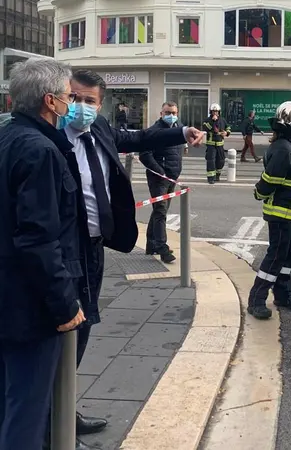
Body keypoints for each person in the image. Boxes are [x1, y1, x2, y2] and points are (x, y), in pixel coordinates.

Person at [63, 70, 203, 447]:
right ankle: (51, 427)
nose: (80, 107)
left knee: (83, 329)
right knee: (60, 333)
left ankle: (62, 411)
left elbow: (136, 138)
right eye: (74, 98)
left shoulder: (100, 129)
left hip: (92, 248)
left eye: (89, 101)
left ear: (99, 104)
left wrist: (179, 131)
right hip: (62, 251)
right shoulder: (50, 137)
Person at [0, 58, 86, 450]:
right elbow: (39, 239)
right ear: (50, 101)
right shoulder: (40, 151)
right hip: (27, 302)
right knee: (27, 405)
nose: (71, 105)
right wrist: (64, 305)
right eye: (68, 97)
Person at [247, 102, 291, 319]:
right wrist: (259, 192)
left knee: (287, 256)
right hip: (280, 213)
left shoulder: (290, 145)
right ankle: (256, 298)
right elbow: (269, 181)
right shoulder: (284, 148)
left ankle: (283, 294)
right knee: (275, 257)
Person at [140, 101, 185, 263]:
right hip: (158, 178)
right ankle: (162, 247)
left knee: (160, 210)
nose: (170, 115)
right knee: (160, 210)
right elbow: (144, 154)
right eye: (167, 112)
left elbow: (178, 151)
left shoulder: (178, 128)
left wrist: (175, 172)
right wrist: (160, 172)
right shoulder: (154, 131)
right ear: (161, 113)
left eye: (173, 112)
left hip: (172, 177)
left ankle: (151, 244)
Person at [202, 103, 231, 184]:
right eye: (213, 111)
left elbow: (228, 127)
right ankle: (211, 178)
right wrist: (214, 121)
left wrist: (226, 133)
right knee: (211, 161)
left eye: (217, 111)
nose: (215, 113)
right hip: (211, 145)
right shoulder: (207, 121)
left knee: (221, 161)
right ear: (210, 112)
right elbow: (209, 128)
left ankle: (217, 175)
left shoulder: (222, 120)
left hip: (220, 144)